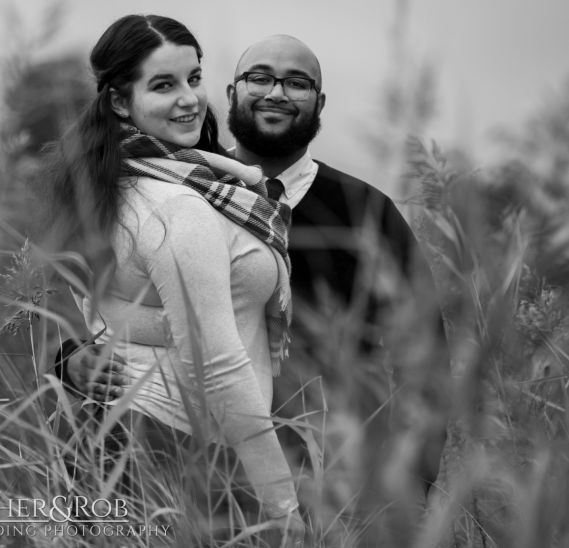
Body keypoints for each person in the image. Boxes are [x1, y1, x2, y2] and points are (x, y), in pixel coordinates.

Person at [60, 33, 449, 541]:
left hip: (324, 481)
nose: (276, 93)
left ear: (320, 103)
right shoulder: (175, 185)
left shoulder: (365, 213)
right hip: (169, 464)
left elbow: (425, 359)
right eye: (260, 78)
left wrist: (411, 485)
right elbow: (85, 291)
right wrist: (71, 358)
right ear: (230, 92)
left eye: (297, 83)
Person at [34, 15, 304, 546]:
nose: (189, 99)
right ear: (117, 101)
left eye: (194, 78)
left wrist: (136, 326)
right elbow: (216, 359)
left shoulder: (127, 179)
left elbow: (105, 305)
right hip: (164, 441)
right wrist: (284, 507)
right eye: (163, 85)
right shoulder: (177, 204)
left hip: (133, 432)